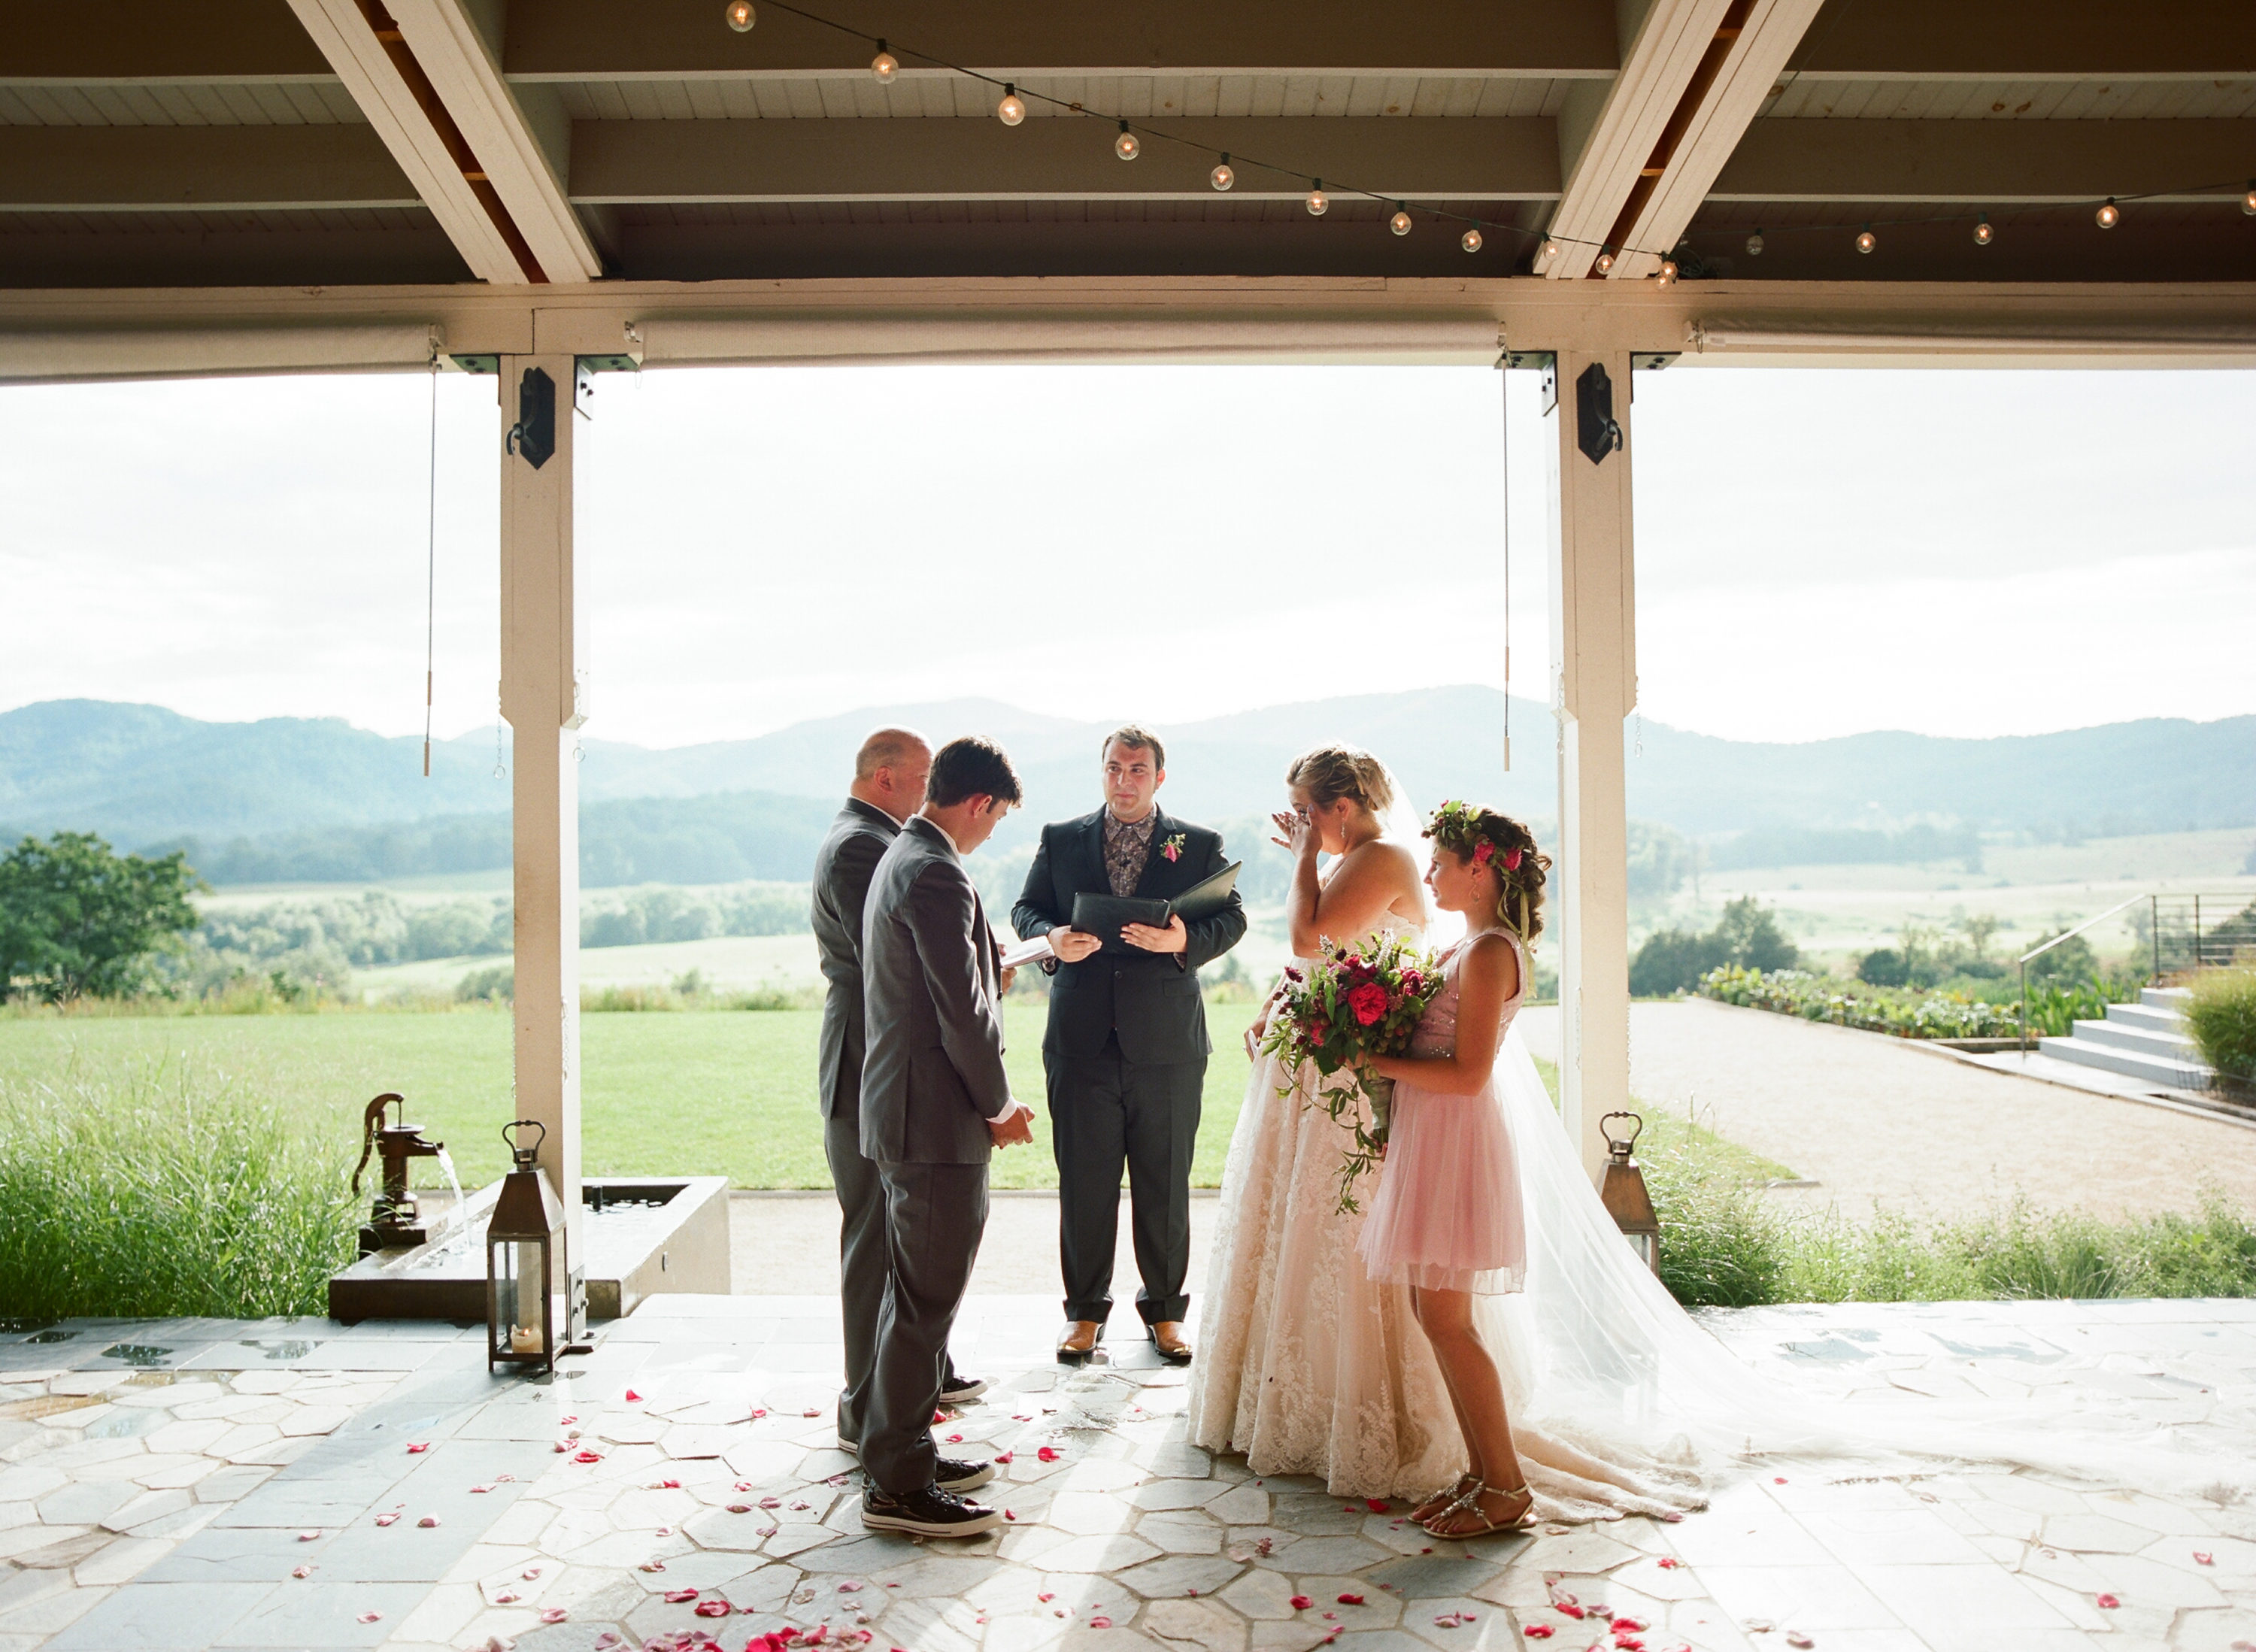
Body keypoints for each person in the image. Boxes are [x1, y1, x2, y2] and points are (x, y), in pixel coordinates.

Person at [1185, 744, 1455, 1494]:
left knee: (1333, 1225)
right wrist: (1282, 1001)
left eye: (1308, 811)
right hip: (1313, 1062)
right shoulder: (1353, 860)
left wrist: (1301, 859)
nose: (1301, 824)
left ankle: (1355, 1406)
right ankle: (1282, 1395)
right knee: (1289, 1228)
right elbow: (1319, 961)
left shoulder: (1379, 856)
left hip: (1343, 1076)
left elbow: (1312, 937)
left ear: (1343, 806)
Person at [1010, 726, 1247, 1365]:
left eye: (1137, 769)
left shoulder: (1198, 844)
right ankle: (1084, 1314)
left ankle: (1166, 1313)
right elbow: (1026, 910)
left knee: (1164, 1182)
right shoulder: (1061, 840)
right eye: (1114, 767)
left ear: (1159, 777)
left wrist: (1182, 944)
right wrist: (1052, 937)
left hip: (1167, 1044)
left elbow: (1233, 916)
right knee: (1083, 1182)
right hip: (1080, 1041)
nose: (1124, 779)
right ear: (1103, 771)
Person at [856, 736, 1038, 1538]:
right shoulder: (935, 870)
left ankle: (903, 1451)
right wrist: (998, 1106)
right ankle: (897, 1485)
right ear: (979, 803)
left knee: (913, 1294)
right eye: (996, 818)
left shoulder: (904, 854)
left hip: (907, 1112)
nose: (992, 832)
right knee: (926, 1302)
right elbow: (960, 1010)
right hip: (932, 1120)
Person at [1357, 802, 1540, 1537]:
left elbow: (1468, 1074)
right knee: (1435, 1315)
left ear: (1482, 869)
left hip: (1458, 1140)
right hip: (1431, 1136)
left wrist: (1371, 1059)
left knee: (1449, 1321)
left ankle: (1508, 1485)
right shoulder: (1462, 947)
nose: (1427, 873)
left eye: (1440, 862)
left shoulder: (1492, 952)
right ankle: (1480, 1472)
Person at [809, 728, 986, 1463]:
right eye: (921, 778)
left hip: (876, 1044)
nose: (929, 794)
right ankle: (867, 1404)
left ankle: (909, 1383)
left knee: (900, 1231)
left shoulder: (871, 836)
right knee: (877, 1232)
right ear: (886, 778)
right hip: (870, 1051)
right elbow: (896, 958)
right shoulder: (862, 846)